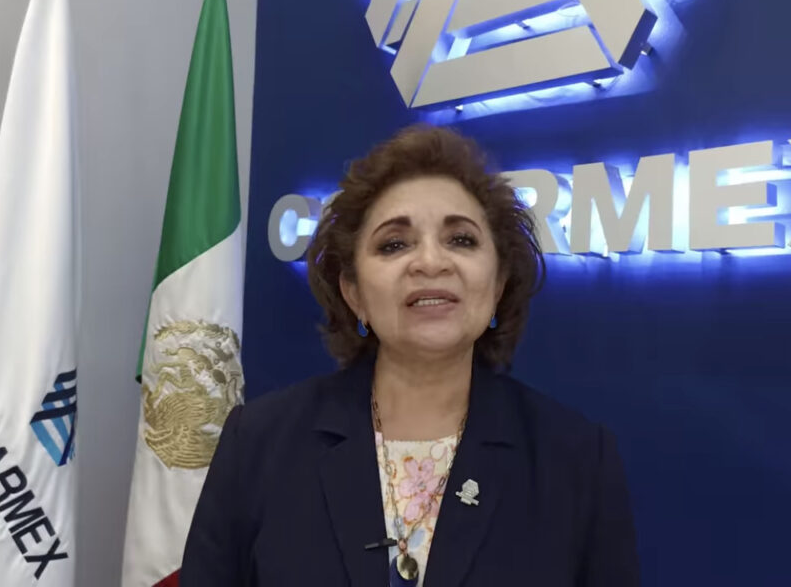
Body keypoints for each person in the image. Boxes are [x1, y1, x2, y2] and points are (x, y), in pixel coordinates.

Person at [180, 125, 639, 586]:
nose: (431, 262)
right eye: (394, 244)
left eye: (461, 239)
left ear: (498, 284)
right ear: (354, 292)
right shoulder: (258, 444)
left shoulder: (577, 460)